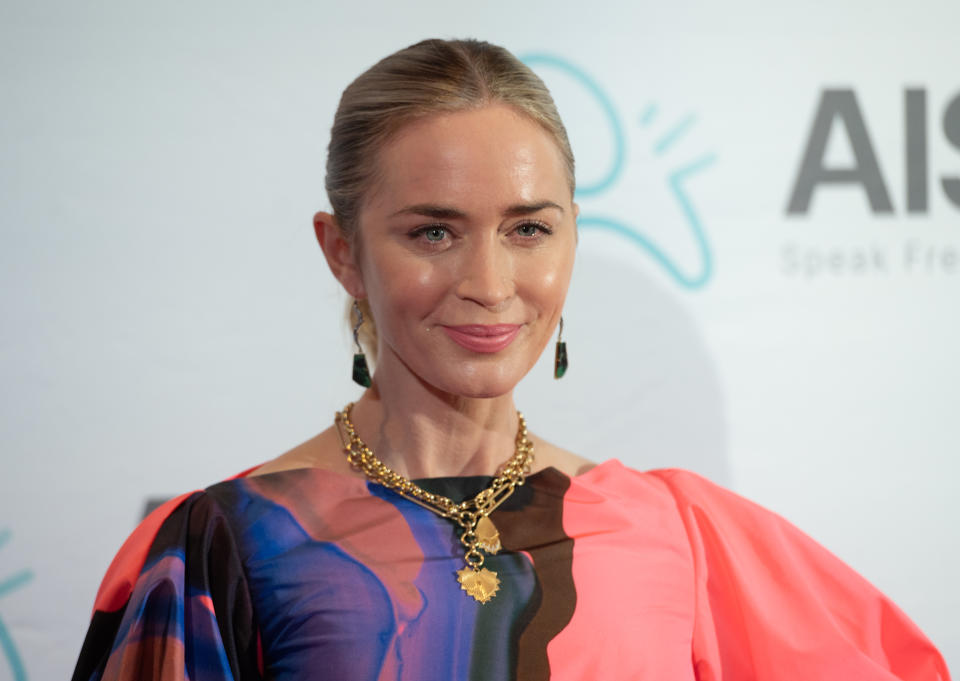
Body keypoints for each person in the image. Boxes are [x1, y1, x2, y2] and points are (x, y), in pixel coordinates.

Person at [72, 38, 950, 681]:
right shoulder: (228, 547)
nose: (490, 283)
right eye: (432, 232)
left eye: (528, 228)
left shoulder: (673, 534)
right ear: (342, 251)